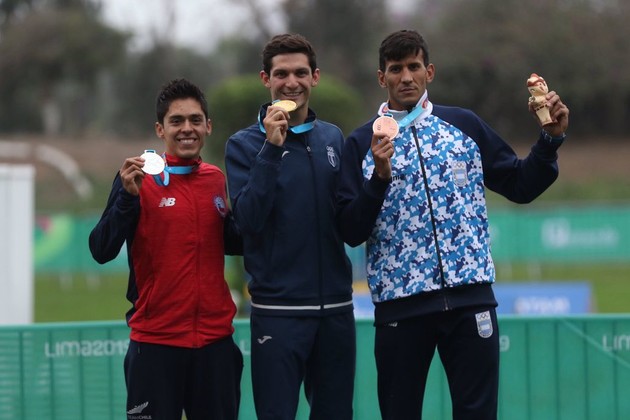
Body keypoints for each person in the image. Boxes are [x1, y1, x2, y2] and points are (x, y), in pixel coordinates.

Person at [336, 29, 569, 419]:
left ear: (429, 72)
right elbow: (350, 230)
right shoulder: (361, 144)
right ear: (381, 77)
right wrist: (379, 177)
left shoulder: (464, 126)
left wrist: (550, 141)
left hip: (470, 300)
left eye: (414, 67)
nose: (406, 77)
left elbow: (519, 185)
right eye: (396, 69)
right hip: (400, 307)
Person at [89, 78, 243, 420]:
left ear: (208, 126)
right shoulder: (136, 179)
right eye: (177, 121)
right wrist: (127, 199)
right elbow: (100, 249)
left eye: (195, 120)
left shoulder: (216, 179)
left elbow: (234, 241)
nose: (187, 128)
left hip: (216, 344)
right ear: (160, 129)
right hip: (155, 344)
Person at [224, 33, 355, 420]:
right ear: (266, 80)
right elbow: (247, 221)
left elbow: (348, 218)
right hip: (276, 313)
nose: (291, 82)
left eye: (300, 72)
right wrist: (272, 148)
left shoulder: (332, 137)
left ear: (315, 77)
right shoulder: (243, 145)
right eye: (281, 74)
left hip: (335, 311)